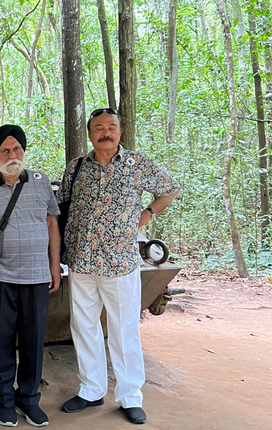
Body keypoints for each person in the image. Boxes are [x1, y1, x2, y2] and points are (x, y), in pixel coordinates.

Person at [58, 108, 180, 425]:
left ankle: (129, 395)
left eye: (112, 127)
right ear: (90, 134)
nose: (106, 132)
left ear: (120, 132)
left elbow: (170, 188)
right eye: (99, 127)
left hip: (120, 262)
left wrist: (148, 214)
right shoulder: (77, 168)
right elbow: (62, 206)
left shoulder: (136, 164)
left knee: (123, 329)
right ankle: (91, 389)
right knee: (84, 327)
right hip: (82, 260)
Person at [0, 125, 61, 428]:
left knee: (33, 341)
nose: (12, 155)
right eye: (5, 150)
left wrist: (54, 266)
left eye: (17, 149)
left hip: (36, 277)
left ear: (24, 151)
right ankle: (5, 400)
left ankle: (28, 400)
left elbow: (51, 225)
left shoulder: (40, 182)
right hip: (1, 279)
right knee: (2, 341)